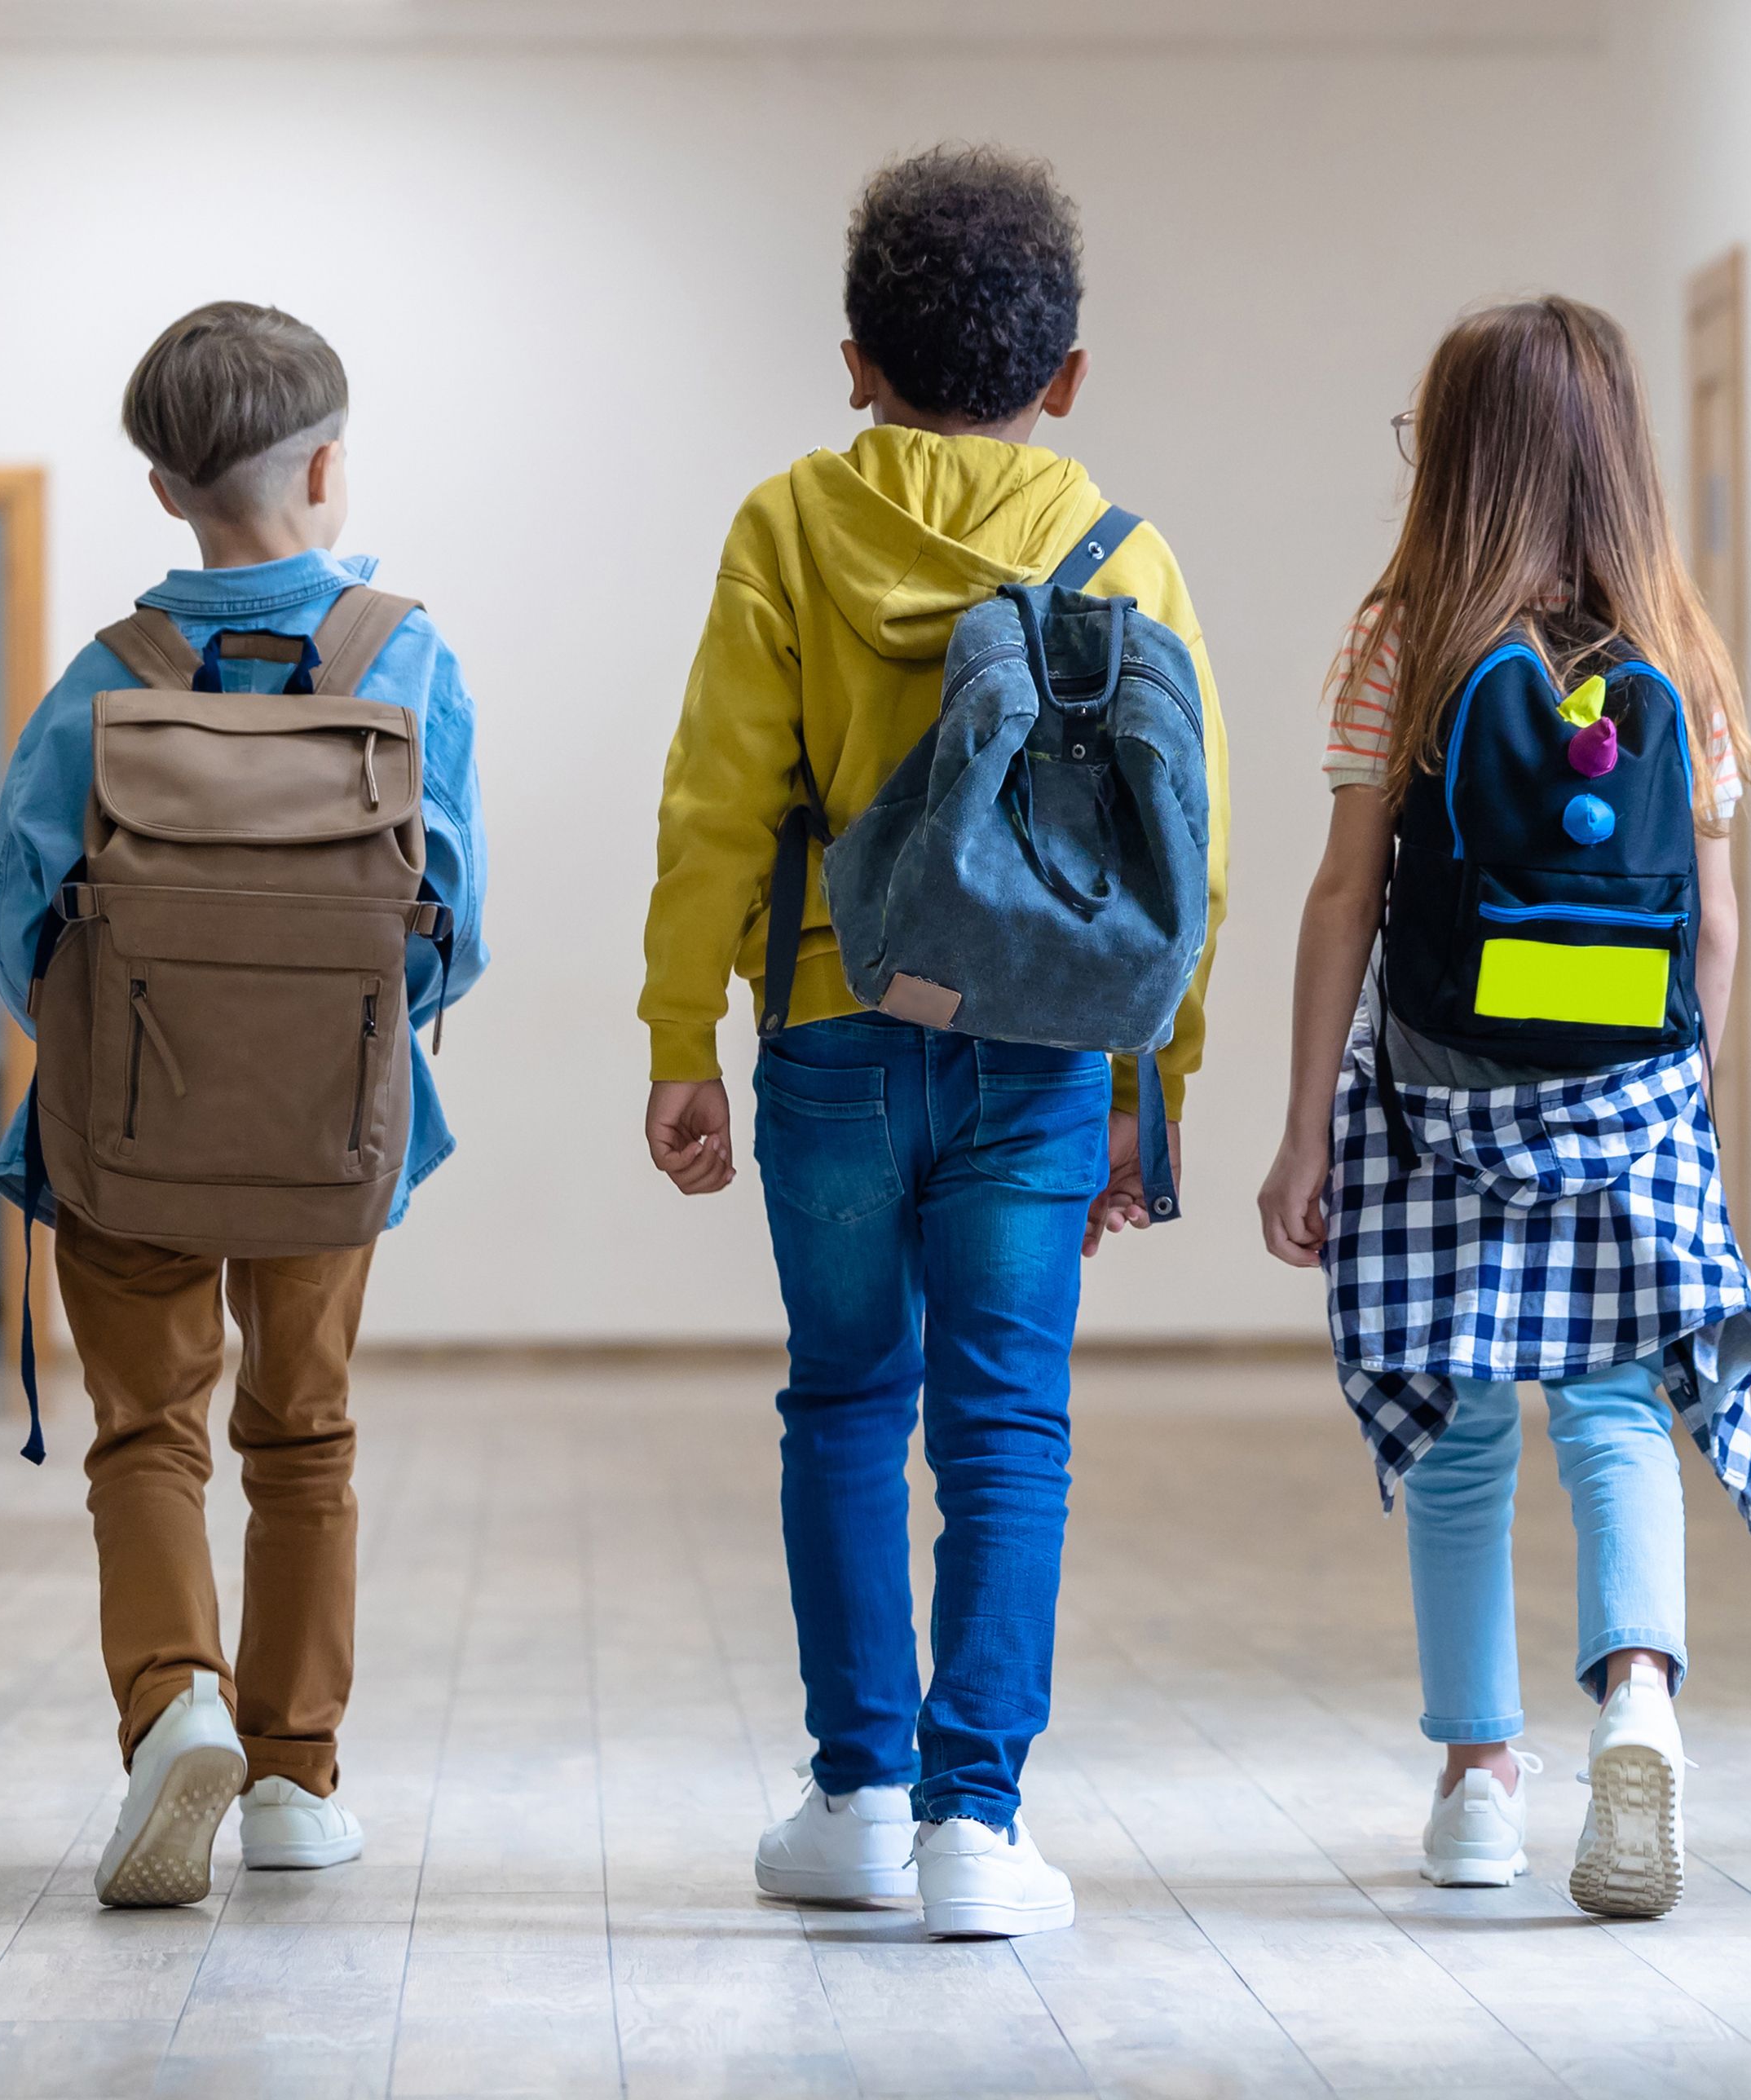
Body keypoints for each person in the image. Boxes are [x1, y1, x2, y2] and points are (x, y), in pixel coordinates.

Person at [638, 146, 1230, 1939]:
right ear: (1064, 377)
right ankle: (981, 1824)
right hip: (1048, 1059)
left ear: (853, 358)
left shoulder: (789, 527)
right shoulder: (1131, 556)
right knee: (1005, 1424)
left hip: (828, 1034)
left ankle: (859, 1796)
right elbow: (1183, 859)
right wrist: (1160, 1094)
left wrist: (681, 1032)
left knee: (842, 1399)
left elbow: (716, 806)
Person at [1254, 296, 1751, 1921]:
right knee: (1621, 1415)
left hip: (1438, 1098)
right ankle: (1638, 1699)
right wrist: (1686, 1106)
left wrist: (1299, 1130)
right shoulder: (1678, 642)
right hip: (1627, 1097)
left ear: (1455, 456)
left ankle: (1480, 1778)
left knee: (1467, 1435)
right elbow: (1718, 914)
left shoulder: (1401, 637)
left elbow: (1347, 893)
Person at [0, 301, 487, 1908]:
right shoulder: (405, 659)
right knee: (306, 1430)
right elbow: (452, 919)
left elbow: (23, 926)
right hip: (328, 1137)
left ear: (160, 489)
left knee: (146, 1429)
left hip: (125, 1136)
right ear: (329, 465)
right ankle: (292, 1778)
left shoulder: (99, 680)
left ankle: (170, 1706)